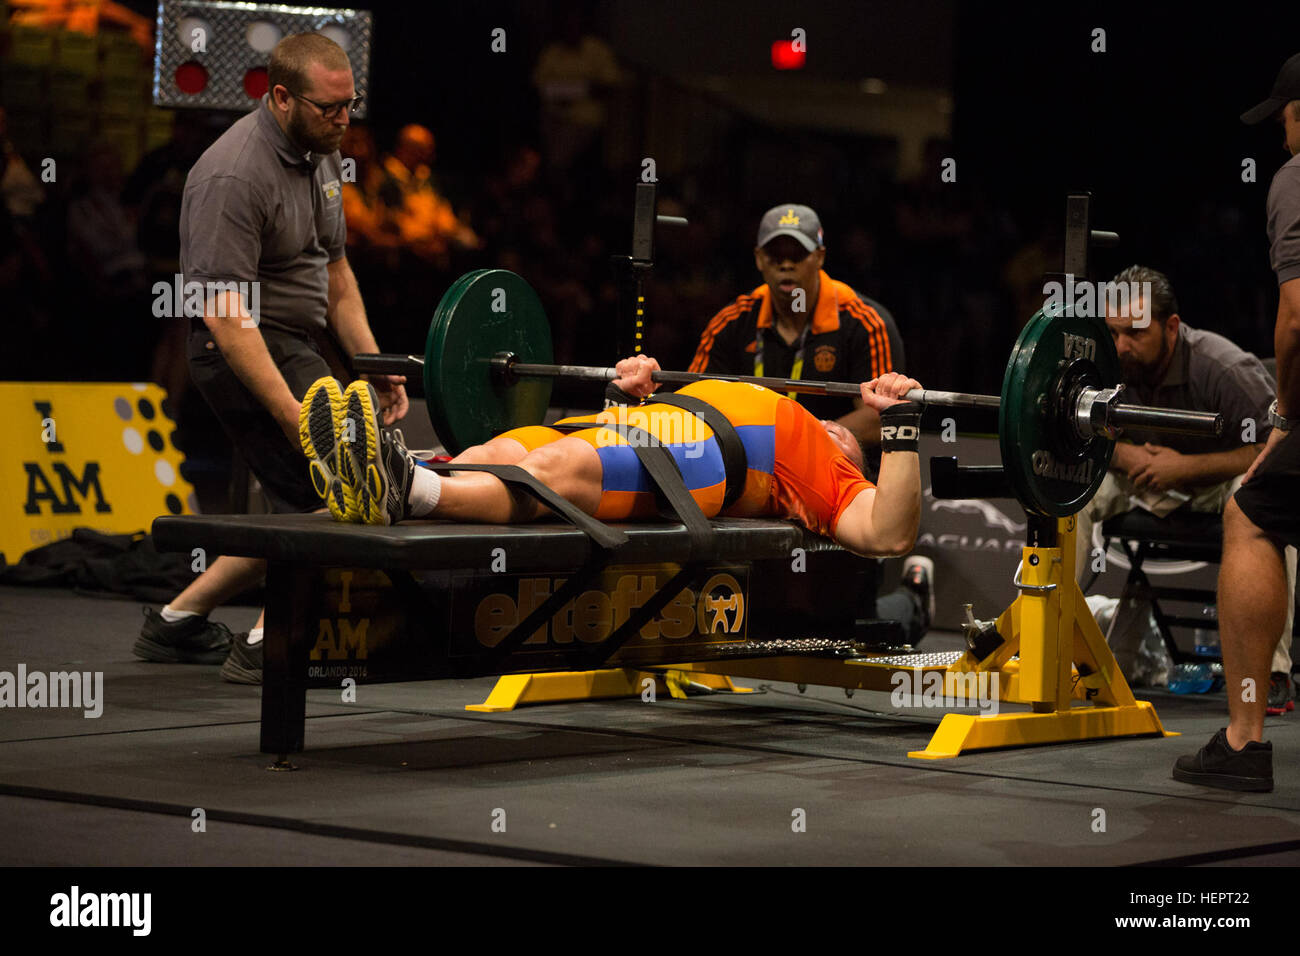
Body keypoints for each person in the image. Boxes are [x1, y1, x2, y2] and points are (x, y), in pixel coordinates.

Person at [133, 33, 407, 684]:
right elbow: (225, 314)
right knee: (344, 488)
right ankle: (267, 644)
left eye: (352, 106)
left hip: (296, 343)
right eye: (330, 108)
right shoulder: (231, 174)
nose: (346, 121)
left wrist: (372, 364)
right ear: (281, 96)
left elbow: (336, 275)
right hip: (236, 347)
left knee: (315, 497)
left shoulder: (324, 155)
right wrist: (295, 415)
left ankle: (176, 621)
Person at [1075, 265, 1294, 698]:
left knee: (1269, 501)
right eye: (1114, 333)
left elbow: (1276, 448)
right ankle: (1042, 638)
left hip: (1218, 484)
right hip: (1143, 477)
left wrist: (1185, 468)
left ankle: (1272, 671)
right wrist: (1124, 452)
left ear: (1171, 327)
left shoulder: (1223, 368)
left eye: (1135, 334)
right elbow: (1076, 429)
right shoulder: (1108, 362)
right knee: (1066, 491)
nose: (1121, 347)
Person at [1173, 53, 1300, 791]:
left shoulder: (1294, 177)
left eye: (1284, 114)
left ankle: (1246, 740)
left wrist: (1285, 416)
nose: (1281, 130)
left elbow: (1295, 318)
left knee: (1251, 514)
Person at [689, 204, 904, 474]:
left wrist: (799, 441)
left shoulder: (865, 322)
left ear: (820, 257)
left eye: (798, 254)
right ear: (758, 258)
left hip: (838, 472)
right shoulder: (730, 323)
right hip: (752, 472)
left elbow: (879, 416)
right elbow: (693, 405)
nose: (786, 264)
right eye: (774, 254)